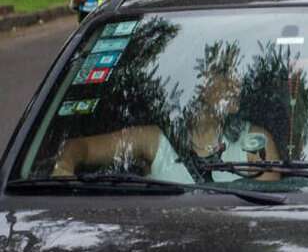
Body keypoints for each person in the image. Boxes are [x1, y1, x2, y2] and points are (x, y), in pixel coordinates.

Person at [53, 43, 281, 182]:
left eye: (237, 75)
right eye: (225, 74)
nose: (236, 83)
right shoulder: (154, 139)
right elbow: (79, 148)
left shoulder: (255, 143)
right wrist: (64, 167)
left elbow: (273, 209)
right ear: (198, 84)